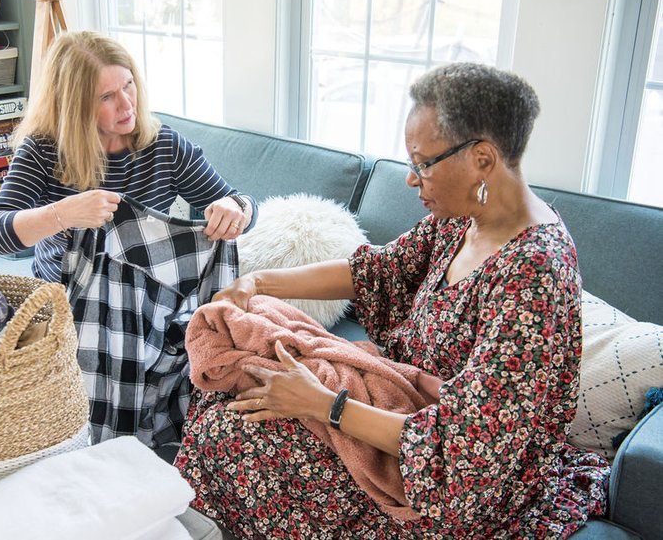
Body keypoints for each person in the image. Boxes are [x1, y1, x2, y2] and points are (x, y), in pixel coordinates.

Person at [175, 63, 609, 539]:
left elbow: (471, 448)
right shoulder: (463, 217)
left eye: (423, 163)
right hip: (393, 401)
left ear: (482, 159)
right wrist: (256, 284)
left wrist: (324, 405)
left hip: (449, 482)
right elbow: (377, 272)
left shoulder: (533, 275)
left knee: (235, 438)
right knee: (233, 369)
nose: (410, 179)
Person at [0, 31, 257, 446]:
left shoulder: (162, 145)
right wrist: (64, 213)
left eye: (128, 86)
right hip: (67, 302)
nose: (126, 104)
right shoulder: (43, 151)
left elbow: (241, 204)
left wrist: (237, 209)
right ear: (74, 104)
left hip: (148, 305)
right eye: (106, 96)